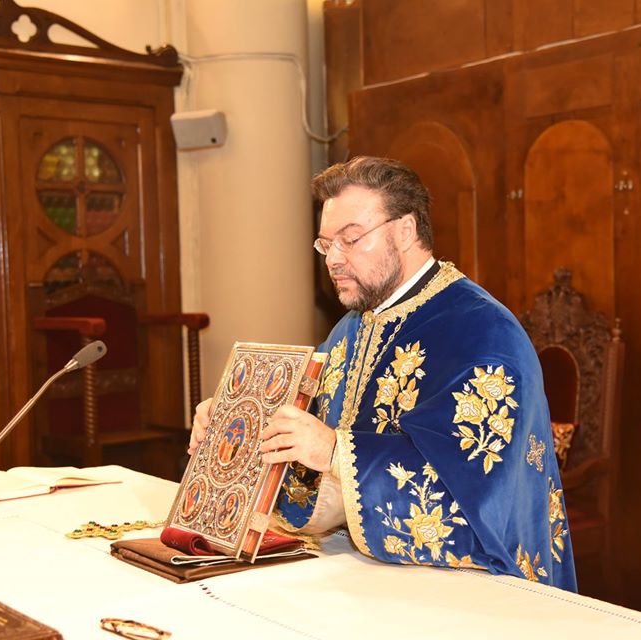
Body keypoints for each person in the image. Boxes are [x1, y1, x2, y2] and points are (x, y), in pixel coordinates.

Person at [189, 156, 576, 591]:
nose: (334, 259)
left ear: (406, 231)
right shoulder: (351, 329)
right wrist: (239, 424)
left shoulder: (483, 333)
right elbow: (304, 438)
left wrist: (335, 452)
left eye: (350, 239)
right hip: (371, 572)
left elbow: (481, 495)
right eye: (324, 245)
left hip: (478, 588)